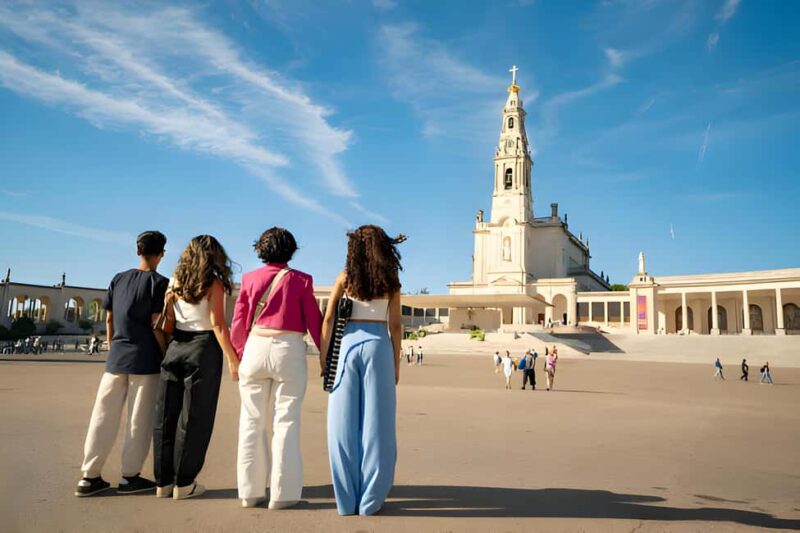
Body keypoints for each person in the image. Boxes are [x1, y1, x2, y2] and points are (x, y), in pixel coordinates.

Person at [230, 227, 323, 509]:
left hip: (255, 346)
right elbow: (315, 323)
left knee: (251, 421)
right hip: (289, 349)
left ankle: (249, 492)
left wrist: (241, 355)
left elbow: (238, 321)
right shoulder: (302, 280)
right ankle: (284, 494)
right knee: (286, 422)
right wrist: (325, 356)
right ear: (291, 250)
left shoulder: (249, 279)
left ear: (261, 249)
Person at [74, 231, 168, 497]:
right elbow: (157, 325)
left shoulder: (118, 279)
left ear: (137, 251)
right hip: (146, 359)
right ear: (162, 254)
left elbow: (109, 319)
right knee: (138, 420)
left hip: (117, 357)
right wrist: (165, 354)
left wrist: (113, 346)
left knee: (103, 416)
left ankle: (89, 476)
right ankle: (129, 477)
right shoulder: (160, 283)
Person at [322, 225, 403, 516]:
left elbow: (329, 318)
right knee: (378, 426)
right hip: (379, 345)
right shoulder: (391, 280)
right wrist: (395, 365)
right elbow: (395, 326)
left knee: (341, 426)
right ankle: (371, 500)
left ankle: (346, 501)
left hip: (346, 346)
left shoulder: (345, 278)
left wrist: (323, 359)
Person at [153, 235, 239, 500]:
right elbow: (218, 324)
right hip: (203, 349)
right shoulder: (212, 282)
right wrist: (232, 359)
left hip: (175, 346)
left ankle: (163, 482)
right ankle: (184, 482)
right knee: (194, 419)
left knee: (165, 417)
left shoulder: (175, 281)